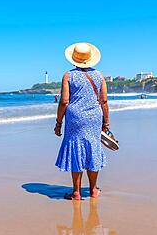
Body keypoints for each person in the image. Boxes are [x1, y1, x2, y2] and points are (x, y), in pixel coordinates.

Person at [54, 42, 109, 200]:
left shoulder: (68, 76)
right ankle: (93, 190)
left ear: (73, 59)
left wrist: (58, 123)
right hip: (94, 117)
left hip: (75, 117)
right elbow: (104, 101)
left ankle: (76, 192)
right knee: (93, 148)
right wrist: (106, 124)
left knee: (76, 150)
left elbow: (64, 101)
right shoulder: (99, 76)